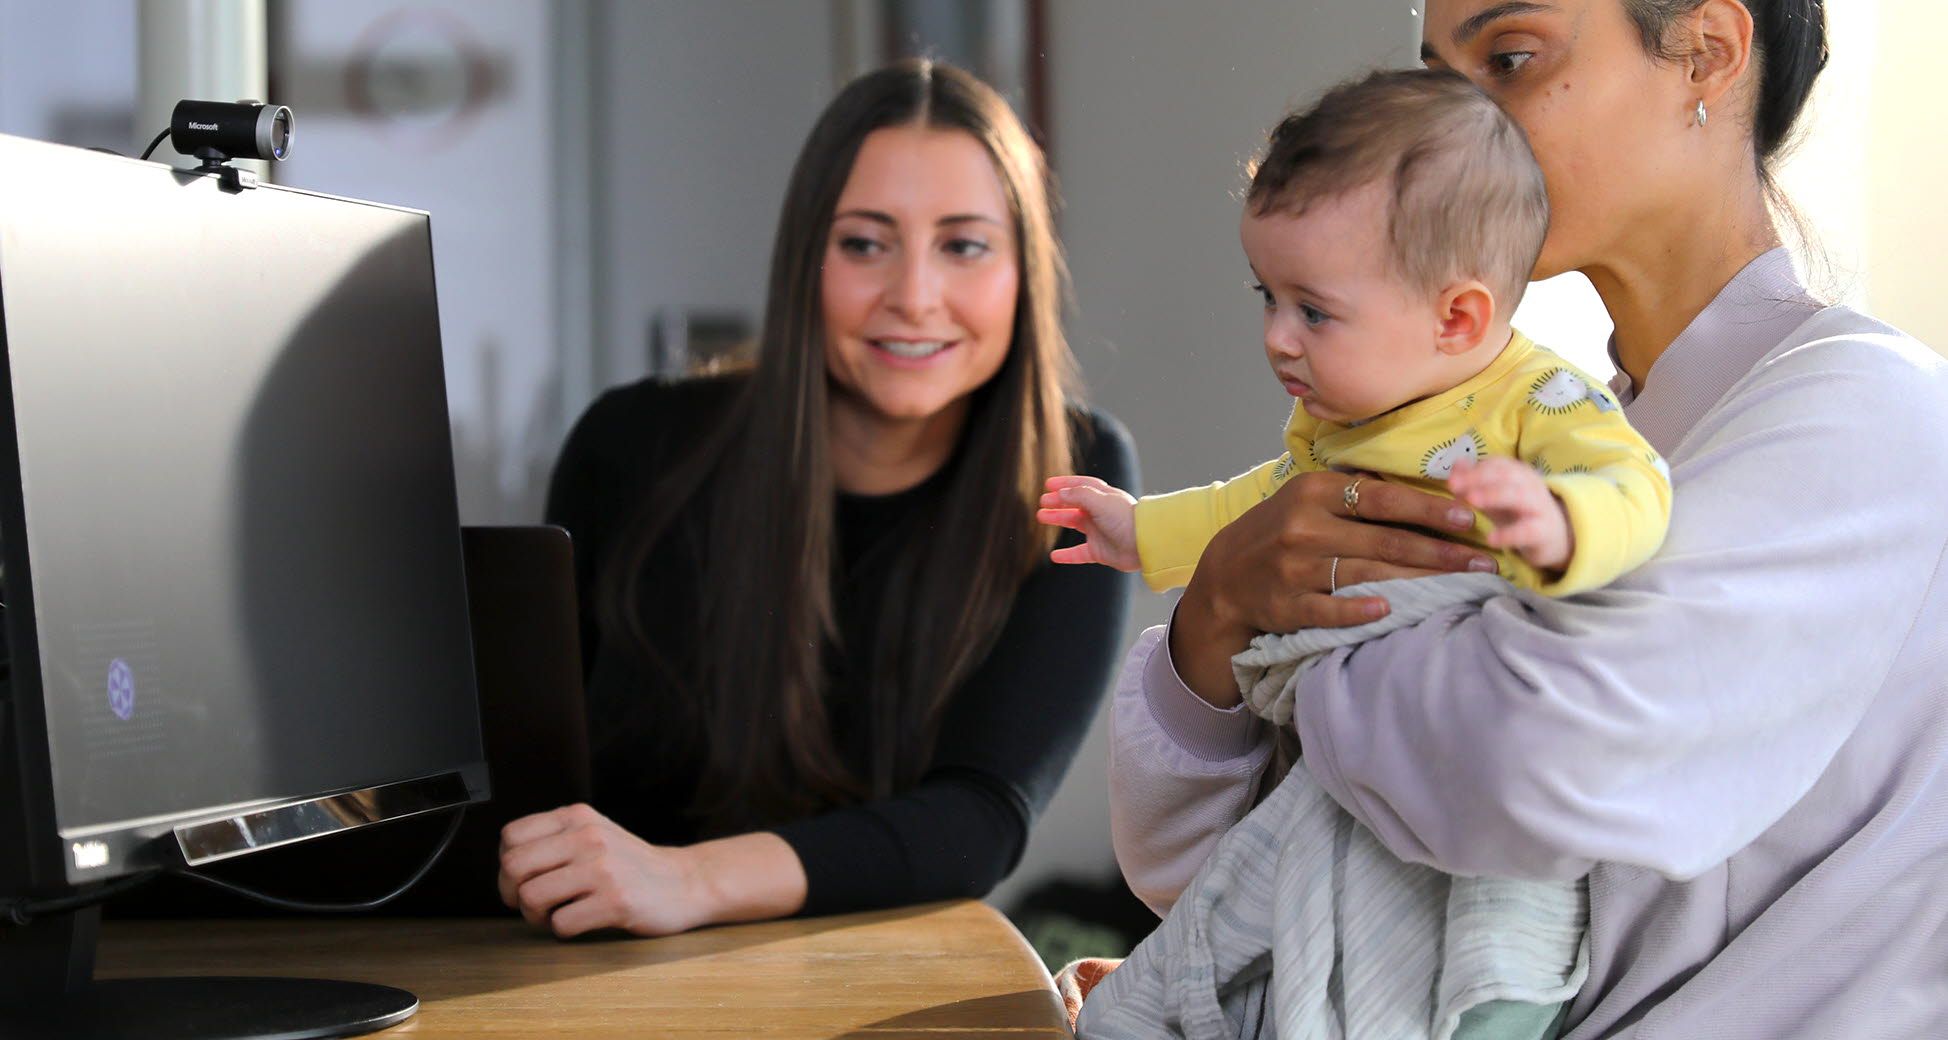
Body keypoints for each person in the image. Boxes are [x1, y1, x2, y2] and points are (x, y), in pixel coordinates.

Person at [1109, 1, 1948, 1036]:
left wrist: (1291, 649)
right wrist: (1213, 619)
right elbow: (1202, 870)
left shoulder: (1867, 412)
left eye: (1508, 60)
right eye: (1433, 73)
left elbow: (1521, 770)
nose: (1456, 119)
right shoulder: (1533, 436)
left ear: (1705, 53)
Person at [498, 59, 1137, 939]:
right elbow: (527, 782)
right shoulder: (630, 446)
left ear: (1023, 270)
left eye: (964, 245)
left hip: (873, 991)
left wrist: (687, 881)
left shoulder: (1078, 471)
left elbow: (981, 817)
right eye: (865, 243)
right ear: (807, 259)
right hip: (592, 971)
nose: (914, 298)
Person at [1039, 69, 1670, 603]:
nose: (1278, 338)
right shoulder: (1342, 419)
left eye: (1313, 312)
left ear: (1455, 320)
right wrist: (1142, 530)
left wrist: (1560, 522)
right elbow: (1262, 510)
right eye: (1269, 297)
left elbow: (1638, 488)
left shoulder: (1543, 400)